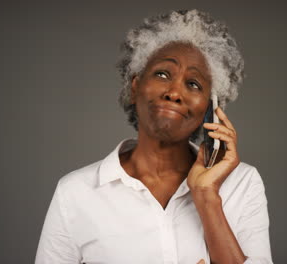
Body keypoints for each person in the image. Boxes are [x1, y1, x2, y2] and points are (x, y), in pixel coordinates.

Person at [36, 9, 272, 264]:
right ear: (135, 86)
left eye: (193, 84)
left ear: (209, 107)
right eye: (162, 74)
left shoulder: (242, 184)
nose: (174, 92)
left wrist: (206, 195)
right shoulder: (75, 192)